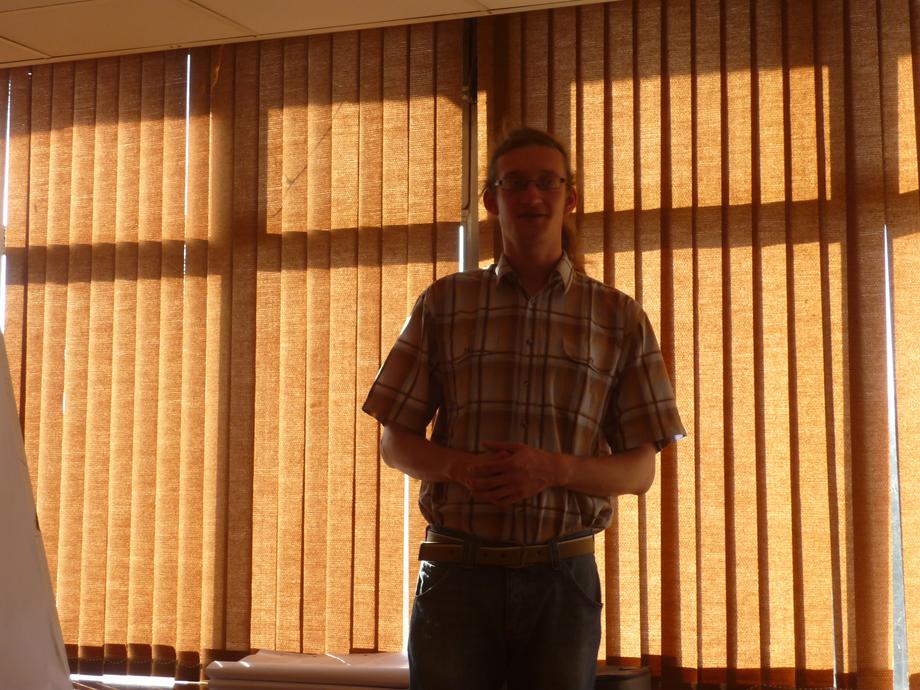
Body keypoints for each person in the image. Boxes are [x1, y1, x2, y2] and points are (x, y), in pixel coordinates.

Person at [362, 127, 686, 690]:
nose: (531, 196)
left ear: (570, 197)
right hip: (457, 579)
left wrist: (553, 469)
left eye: (546, 182)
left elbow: (639, 472)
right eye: (515, 183)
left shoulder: (619, 317)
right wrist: (461, 468)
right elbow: (395, 443)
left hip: (563, 583)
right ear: (492, 199)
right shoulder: (445, 303)